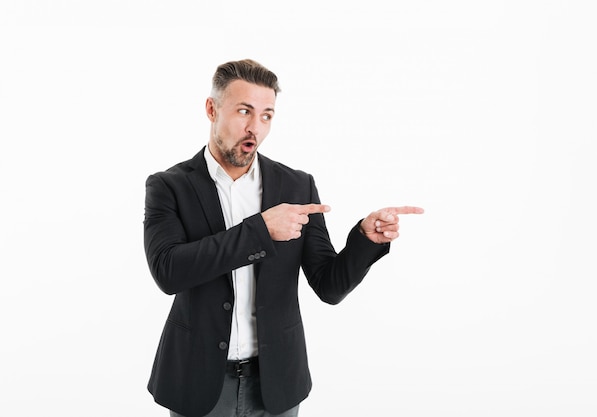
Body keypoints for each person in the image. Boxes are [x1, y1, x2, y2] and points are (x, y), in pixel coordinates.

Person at [143, 59, 423, 417]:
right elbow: (168, 271)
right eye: (244, 111)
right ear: (212, 109)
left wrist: (366, 240)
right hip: (196, 381)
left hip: (276, 383)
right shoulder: (169, 186)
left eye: (266, 116)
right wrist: (260, 230)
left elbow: (329, 285)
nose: (254, 128)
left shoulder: (296, 185)